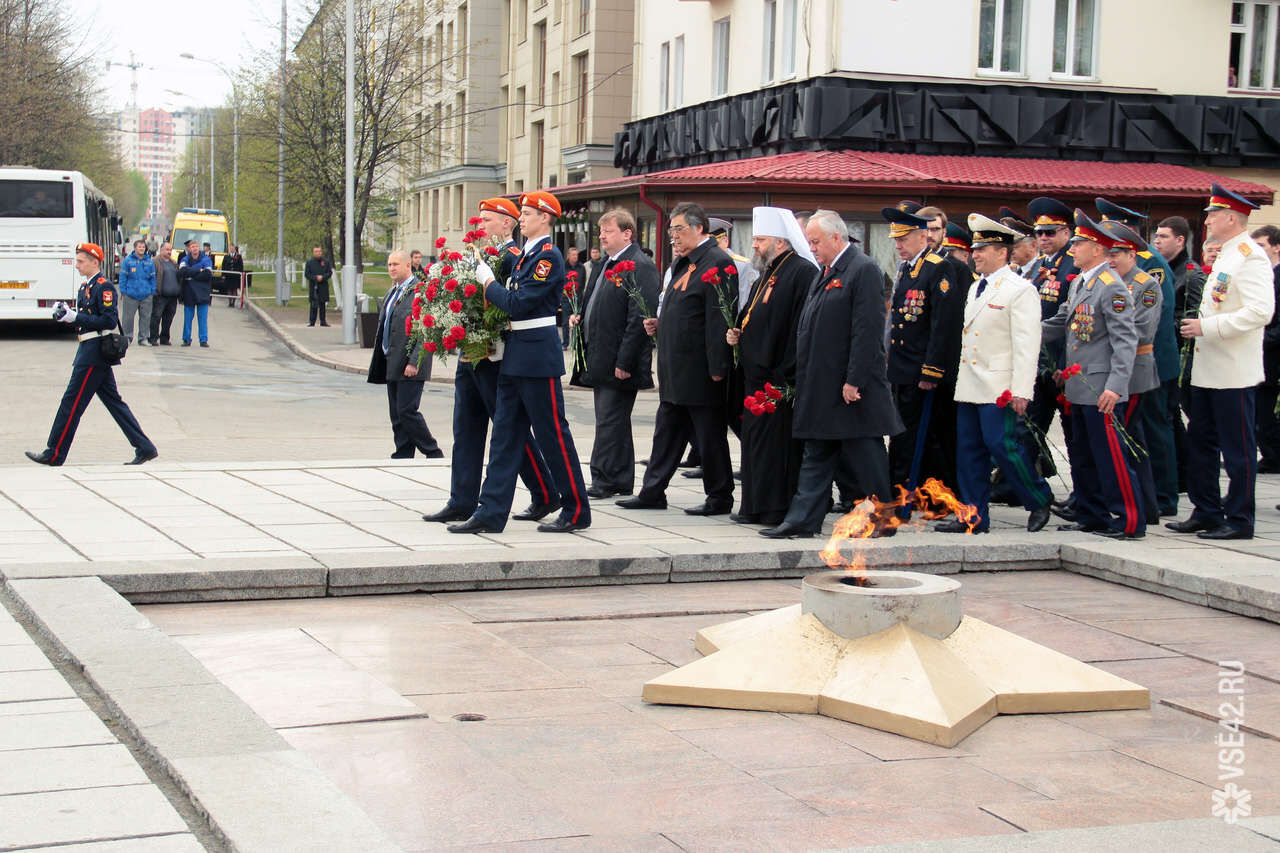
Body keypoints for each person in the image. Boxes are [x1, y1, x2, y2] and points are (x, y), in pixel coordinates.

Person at [449, 190, 592, 534]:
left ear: (545, 217)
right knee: (504, 436)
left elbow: (518, 303)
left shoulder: (548, 257)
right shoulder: (526, 255)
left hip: (537, 355)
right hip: (516, 352)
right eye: (522, 212)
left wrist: (486, 281)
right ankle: (490, 511)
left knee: (553, 435)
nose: (522, 217)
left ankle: (576, 509)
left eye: (528, 213)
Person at [762, 210, 903, 539]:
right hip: (822, 385)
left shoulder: (862, 269)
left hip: (849, 389)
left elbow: (867, 332)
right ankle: (802, 520)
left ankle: (883, 517)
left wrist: (854, 380)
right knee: (817, 454)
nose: (811, 247)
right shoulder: (825, 271)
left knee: (866, 455)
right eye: (809, 241)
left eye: (816, 241)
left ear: (837, 238)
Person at [423, 198, 559, 524]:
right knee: (466, 428)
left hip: (495, 356)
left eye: (487, 220)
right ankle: (462, 499)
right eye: (481, 220)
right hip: (470, 353)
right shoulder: (481, 257)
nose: (480, 225)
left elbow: (515, 304)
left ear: (507, 224)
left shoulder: (515, 258)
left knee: (508, 431)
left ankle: (544, 491)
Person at [1168, 185, 1274, 540]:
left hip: (1233, 370)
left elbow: (1261, 312)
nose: (1208, 219)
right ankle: (1207, 510)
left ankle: (1240, 519)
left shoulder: (1249, 256)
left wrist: (1207, 327)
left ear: (1231, 218)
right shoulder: (1227, 254)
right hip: (1209, 368)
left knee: (1238, 450)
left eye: (1214, 214)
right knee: (1202, 444)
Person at [618, 202, 737, 516]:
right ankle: (653, 491)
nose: (673, 237)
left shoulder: (718, 262)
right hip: (676, 368)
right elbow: (683, 310)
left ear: (699, 228)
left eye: (679, 229)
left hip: (701, 370)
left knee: (709, 437)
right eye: (670, 230)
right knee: (666, 433)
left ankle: (720, 496)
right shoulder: (685, 262)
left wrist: (718, 368)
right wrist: (660, 324)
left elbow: (717, 320)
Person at [939, 214, 1051, 534]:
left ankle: (1038, 496)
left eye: (983, 249)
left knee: (1003, 446)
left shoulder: (1020, 289)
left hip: (999, 384)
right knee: (969, 451)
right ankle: (973, 515)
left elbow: (1027, 344)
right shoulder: (977, 286)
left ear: (1002, 252)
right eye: (975, 249)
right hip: (971, 383)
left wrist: (1022, 390)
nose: (976, 254)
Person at [1042, 211, 1144, 540]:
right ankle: (1092, 512)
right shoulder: (1083, 282)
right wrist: (1020, 332)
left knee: (1110, 455)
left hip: (1101, 386)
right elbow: (1061, 323)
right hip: (1079, 384)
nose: (1073, 248)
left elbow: (1126, 342)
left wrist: (1115, 387)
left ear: (1097, 248)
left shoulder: (1110, 288)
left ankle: (1128, 519)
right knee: (1083, 454)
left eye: (1079, 243)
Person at [25, 243, 157, 466]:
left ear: (95, 262)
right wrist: (67, 316)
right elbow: (85, 320)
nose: (77, 265)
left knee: (71, 402)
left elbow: (108, 319)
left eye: (81, 261)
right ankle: (144, 447)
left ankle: (54, 453)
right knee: (114, 403)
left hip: (94, 353)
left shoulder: (104, 288)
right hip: (89, 350)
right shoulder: (85, 286)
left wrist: (75, 317)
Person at [726, 207, 817, 526]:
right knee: (755, 444)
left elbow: (799, 328)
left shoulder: (802, 272)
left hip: (779, 377)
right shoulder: (769, 270)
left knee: (776, 448)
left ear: (780, 242)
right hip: (755, 373)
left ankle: (775, 508)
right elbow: (752, 311)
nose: (754, 246)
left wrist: (786, 374)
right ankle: (753, 506)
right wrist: (738, 330)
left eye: (760, 240)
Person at [569, 209, 661, 498]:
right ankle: (618, 478)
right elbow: (597, 300)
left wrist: (625, 360)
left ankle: (605, 478)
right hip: (601, 354)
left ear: (627, 233)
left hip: (619, 360)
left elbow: (639, 317)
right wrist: (581, 316)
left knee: (610, 420)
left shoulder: (638, 265)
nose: (602, 237)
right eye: (601, 232)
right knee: (613, 421)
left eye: (607, 231)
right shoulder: (607, 263)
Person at [882, 205, 963, 512]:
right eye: (896, 240)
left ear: (922, 236)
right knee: (902, 434)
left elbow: (944, 325)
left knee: (920, 438)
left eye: (904, 239)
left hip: (921, 370)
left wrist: (931, 370)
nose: (898, 246)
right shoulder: (906, 269)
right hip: (902, 367)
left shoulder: (937, 268)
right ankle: (903, 491)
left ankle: (915, 495)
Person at [1099, 218, 1163, 526]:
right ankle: (1145, 506)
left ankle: (1143, 507)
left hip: (1134, 372)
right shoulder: (1108, 283)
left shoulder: (1145, 285)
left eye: (1116, 255)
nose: (1110, 261)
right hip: (1111, 370)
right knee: (1131, 440)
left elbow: (1142, 330)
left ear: (1132, 255)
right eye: (1107, 254)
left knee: (1129, 440)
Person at [1025, 197, 1080, 486]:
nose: (1043, 238)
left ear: (1066, 233)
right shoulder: (1039, 266)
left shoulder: (1074, 264)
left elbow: (1073, 320)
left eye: (1051, 232)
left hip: (1062, 363)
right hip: (1038, 362)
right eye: (1039, 233)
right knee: (1030, 429)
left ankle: (1082, 491)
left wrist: (1064, 364)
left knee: (1073, 435)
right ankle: (1020, 485)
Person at [367, 251, 441, 459]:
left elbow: (427, 328)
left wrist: (415, 361)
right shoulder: (393, 291)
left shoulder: (420, 290)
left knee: (407, 411)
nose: (391, 268)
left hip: (410, 363)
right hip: (392, 360)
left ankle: (432, 451)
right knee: (397, 414)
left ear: (408, 266)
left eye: (396, 264)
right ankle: (403, 452)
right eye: (389, 264)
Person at [1154, 216, 1207, 504]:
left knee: (1169, 419)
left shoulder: (1191, 273)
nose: (1157, 241)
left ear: (1180, 240)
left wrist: (1162, 327)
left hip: (1177, 355)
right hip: (1161, 354)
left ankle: (1178, 479)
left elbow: (1194, 316)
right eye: (1156, 236)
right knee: (1168, 419)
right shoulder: (1156, 270)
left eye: (1163, 236)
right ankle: (1180, 475)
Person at [1249, 225, 1280, 473]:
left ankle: (1274, 455)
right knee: (1261, 413)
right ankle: (1271, 456)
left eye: (1261, 246)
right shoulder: (1262, 274)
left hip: (1273, 355)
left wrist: (1260, 337)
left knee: (1267, 414)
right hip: (1260, 356)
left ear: (1277, 247)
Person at [118, 240, 155, 346]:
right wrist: (123, 291)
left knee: (146, 318)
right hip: (130, 294)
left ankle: (143, 338)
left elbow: (153, 277)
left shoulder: (149, 262)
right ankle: (127, 338)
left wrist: (152, 291)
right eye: (139, 247)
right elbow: (123, 277)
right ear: (135, 248)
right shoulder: (128, 261)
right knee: (128, 318)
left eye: (143, 247)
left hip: (146, 294)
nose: (142, 249)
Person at [178, 239, 213, 347]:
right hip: (189, 292)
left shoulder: (206, 259)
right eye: (192, 247)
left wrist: (191, 273)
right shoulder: (184, 259)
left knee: (202, 318)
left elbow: (207, 274)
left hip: (203, 292)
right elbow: (183, 272)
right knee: (188, 318)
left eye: (196, 246)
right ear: (189, 248)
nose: (194, 248)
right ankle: (186, 339)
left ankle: (203, 340)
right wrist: (198, 270)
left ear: (199, 248)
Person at [150, 242, 180, 346]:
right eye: (167, 249)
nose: (169, 252)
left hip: (172, 297)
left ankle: (165, 338)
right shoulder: (155, 262)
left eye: (170, 250)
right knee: (156, 317)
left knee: (168, 319)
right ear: (161, 250)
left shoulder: (173, 263)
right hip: (160, 295)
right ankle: (153, 338)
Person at [562, 246, 586, 350]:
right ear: (568, 256)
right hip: (566, 297)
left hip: (578, 297)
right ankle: (565, 343)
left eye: (576, 255)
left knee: (577, 320)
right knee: (565, 321)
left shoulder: (581, 267)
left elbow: (583, 282)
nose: (575, 257)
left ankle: (575, 343)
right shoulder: (563, 267)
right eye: (573, 255)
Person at [304, 246, 332, 327]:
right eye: (316, 251)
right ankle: (312, 322)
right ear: (313, 252)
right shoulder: (309, 262)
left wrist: (322, 277)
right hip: (313, 286)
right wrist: (315, 278)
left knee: (322, 304)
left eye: (319, 251)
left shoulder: (326, 262)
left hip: (323, 285)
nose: (318, 253)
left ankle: (323, 321)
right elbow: (307, 274)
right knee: (313, 304)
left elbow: (329, 273)